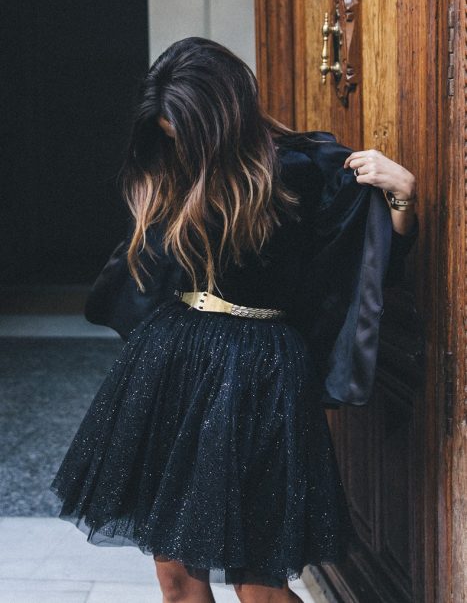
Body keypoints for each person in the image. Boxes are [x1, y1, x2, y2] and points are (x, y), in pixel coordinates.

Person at [49, 37, 419, 603]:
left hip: (262, 378)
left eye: (186, 133)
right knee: (175, 579)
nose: (177, 145)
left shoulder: (306, 168)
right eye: (169, 134)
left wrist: (400, 200)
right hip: (173, 364)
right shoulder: (172, 166)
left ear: (222, 114)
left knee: (259, 589)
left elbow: (368, 270)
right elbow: (147, 265)